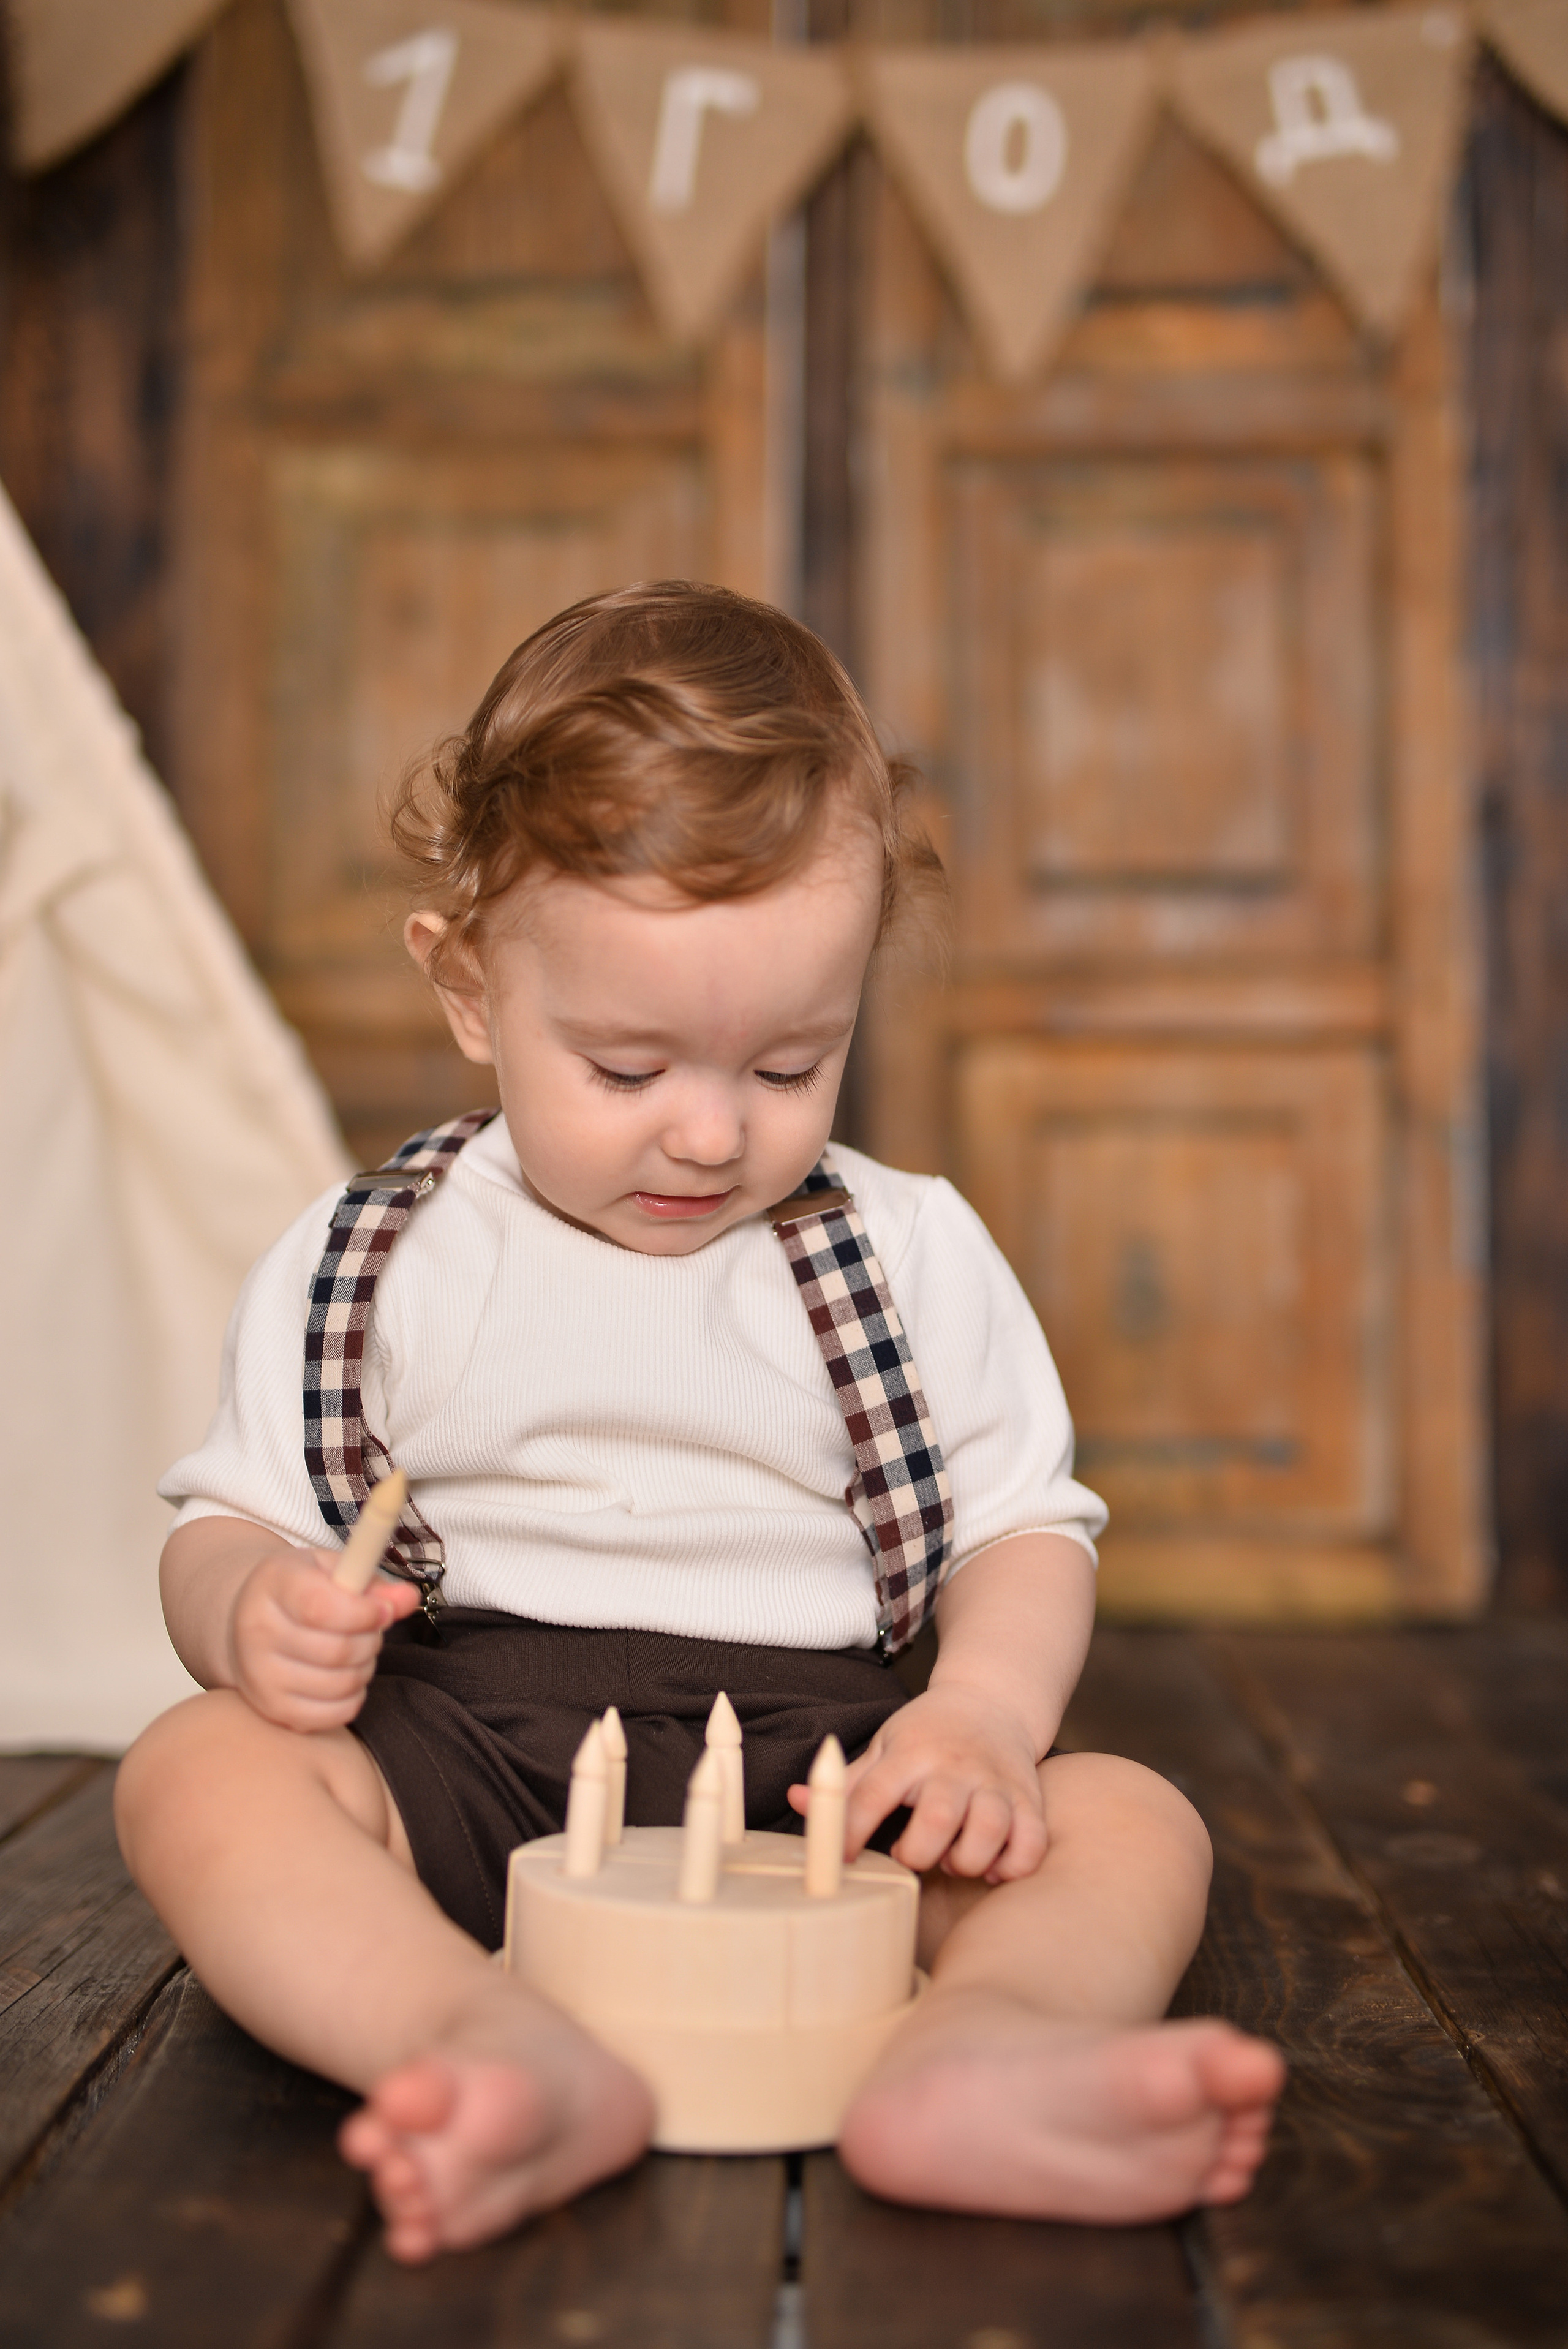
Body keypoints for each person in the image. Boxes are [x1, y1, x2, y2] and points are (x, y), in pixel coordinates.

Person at [115, 583, 1284, 2266]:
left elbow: (1023, 1526)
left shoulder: (906, 1251)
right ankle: (471, 2037)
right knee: (200, 1767)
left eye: (792, 1063)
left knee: (1127, 1820)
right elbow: (229, 1517)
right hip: (469, 1751)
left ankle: (980, 2053)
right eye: (624, 1065)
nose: (709, 1134)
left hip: (826, 1772)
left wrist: (979, 1718)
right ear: (470, 991)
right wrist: (249, 1615)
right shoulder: (374, 1253)